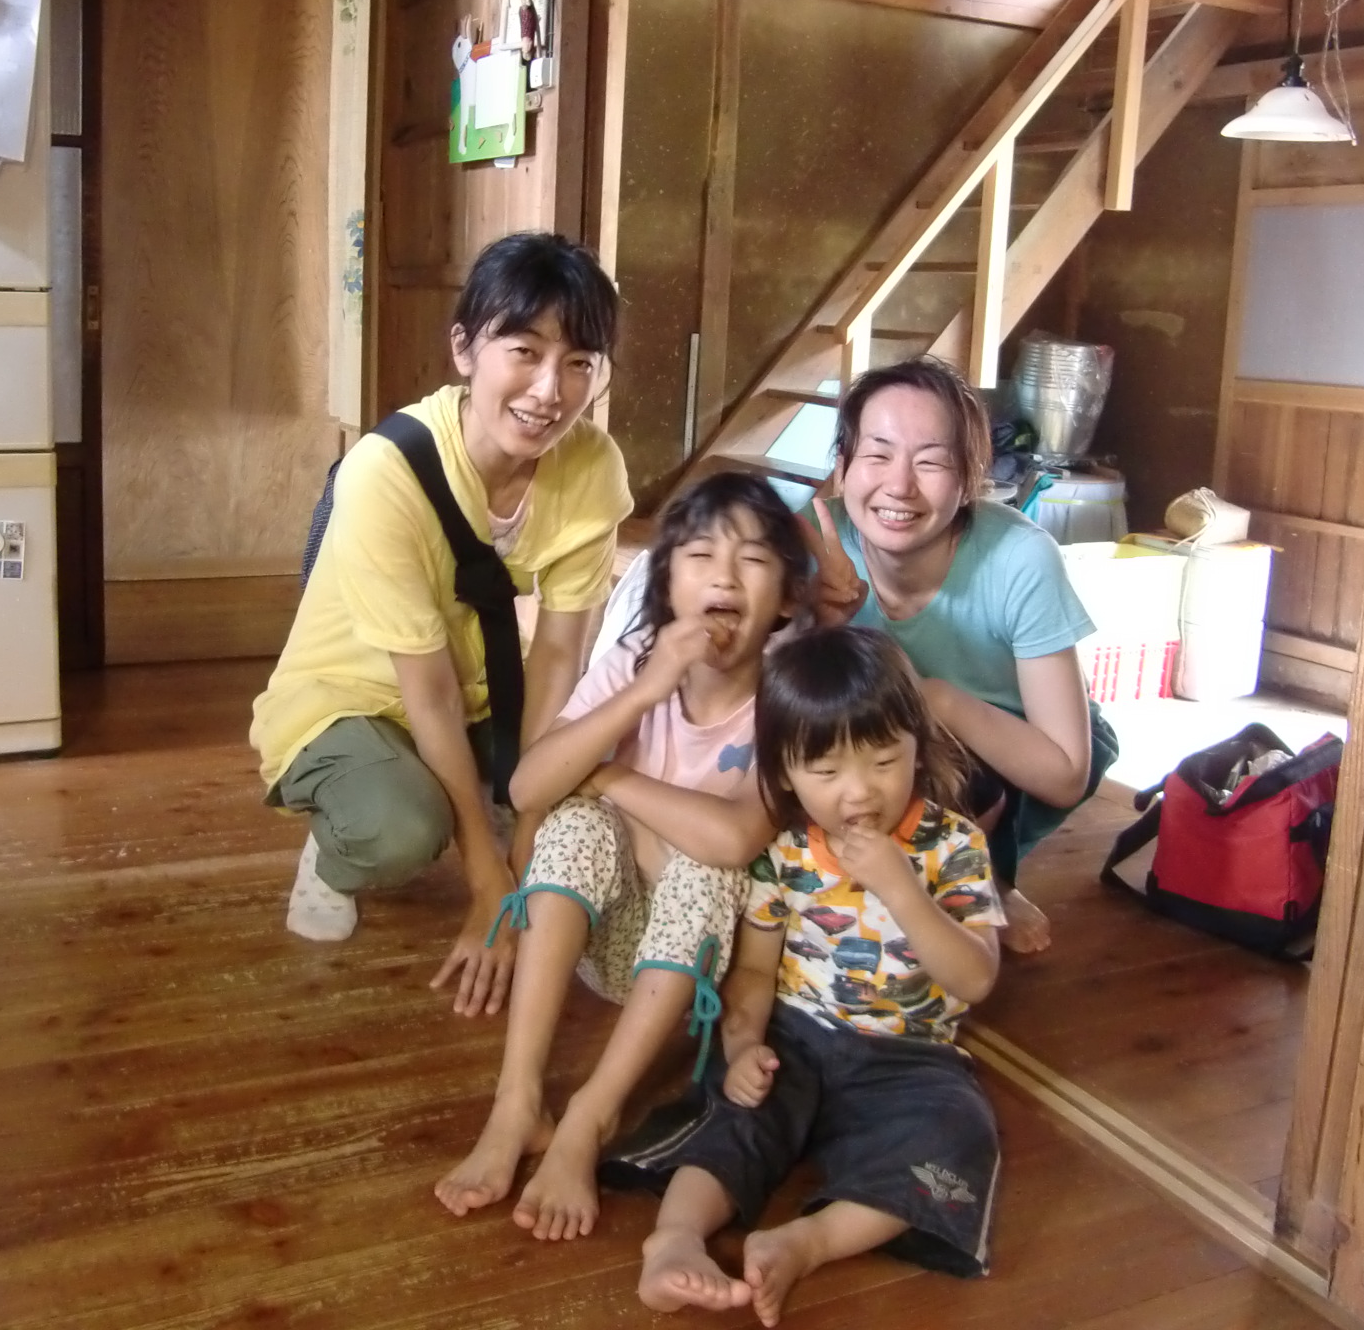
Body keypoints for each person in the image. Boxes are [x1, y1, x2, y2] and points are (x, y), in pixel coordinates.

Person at [250, 232, 632, 1017]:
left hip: (484, 692)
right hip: (353, 698)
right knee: (402, 828)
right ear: (464, 349)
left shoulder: (593, 467)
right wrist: (490, 883)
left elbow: (560, 652)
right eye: (523, 352)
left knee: (582, 784)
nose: (549, 390)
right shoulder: (384, 472)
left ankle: (486, 807)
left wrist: (524, 835)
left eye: (578, 363)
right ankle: (334, 850)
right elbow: (425, 692)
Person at [434, 473, 809, 1242]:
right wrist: (644, 693)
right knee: (572, 824)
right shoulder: (636, 659)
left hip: (695, 961)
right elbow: (529, 786)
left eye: (753, 560)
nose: (724, 576)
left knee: (708, 860)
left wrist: (609, 777)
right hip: (598, 936)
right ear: (666, 586)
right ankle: (516, 1101)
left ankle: (589, 1119)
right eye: (699, 556)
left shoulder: (788, 696)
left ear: (787, 600)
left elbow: (737, 838)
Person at [604, 625, 1006, 1325]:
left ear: (917, 745)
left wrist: (901, 888)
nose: (860, 791)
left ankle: (806, 1242)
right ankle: (674, 1240)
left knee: (957, 1129)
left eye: (885, 760)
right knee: (736, 1106)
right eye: (826, 772)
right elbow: (755, 972)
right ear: (785, 772)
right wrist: (743, 1046)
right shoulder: (784, 852)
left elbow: (975, 979)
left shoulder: (954, 845)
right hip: (796, 1035)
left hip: (911, 1057)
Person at [801, 357, 1116, 952]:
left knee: (949, 767)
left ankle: (988, 873)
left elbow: (1064, 774)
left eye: (931, 461)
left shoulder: (1019, 557)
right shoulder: (815, 542)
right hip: (877, 744)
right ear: (843, 466)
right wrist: (815, 624)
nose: (900, 486)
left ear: (970, 479)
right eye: (877, 454)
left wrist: (935, 698)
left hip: (1007, 744)